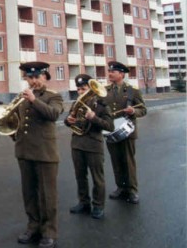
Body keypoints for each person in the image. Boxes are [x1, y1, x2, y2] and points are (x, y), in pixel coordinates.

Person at [14, 62, 63, 248]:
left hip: (45, 153)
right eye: (30, 77)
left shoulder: (54, 96)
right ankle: (33, 225)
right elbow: (18, 121)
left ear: (45, 77)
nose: (33, 80)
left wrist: (34, 99)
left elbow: (53, 114)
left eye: (37, 77)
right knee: (29, 193)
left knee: (47, 195)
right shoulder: (22, 97)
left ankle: (49, 231)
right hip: (25, 151)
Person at [64, 74, 113, 219]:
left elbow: (110, 126)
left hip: (93, 145)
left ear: (90, 88)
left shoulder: (102, 104)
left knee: (97, 178)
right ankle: (83, 202)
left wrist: (94, 118)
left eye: (83, 88)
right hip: (77, 144)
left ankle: (98, 205)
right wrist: (69, 120)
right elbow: (68, 122)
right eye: (78, 89)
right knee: (80, 176)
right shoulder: (76, 103)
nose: (80, 92)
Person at [103, 61, 147, 204]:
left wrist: (134, 111)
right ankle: (120, 187)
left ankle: (132, 190)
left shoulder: (131, 90)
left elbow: (143, 109)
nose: (110, 74)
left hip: (127, 131)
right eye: (109, 71)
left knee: (128, 162)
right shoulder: (104, 90)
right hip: (111, 131)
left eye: (113, 72)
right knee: (116, 161)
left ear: (121, 74)